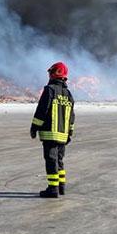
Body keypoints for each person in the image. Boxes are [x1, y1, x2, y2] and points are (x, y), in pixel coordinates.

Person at [30, 61, 75, 198]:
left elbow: (42, 110)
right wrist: (70, 133)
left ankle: (52, 189)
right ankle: (61, 187)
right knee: (59, 160)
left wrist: (34, 127)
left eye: (50, 72)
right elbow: (71, 117)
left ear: (54, 73)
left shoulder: (49, 90)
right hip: (63, 135)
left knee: (51, 161)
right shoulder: (68, 94)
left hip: (50, 134)